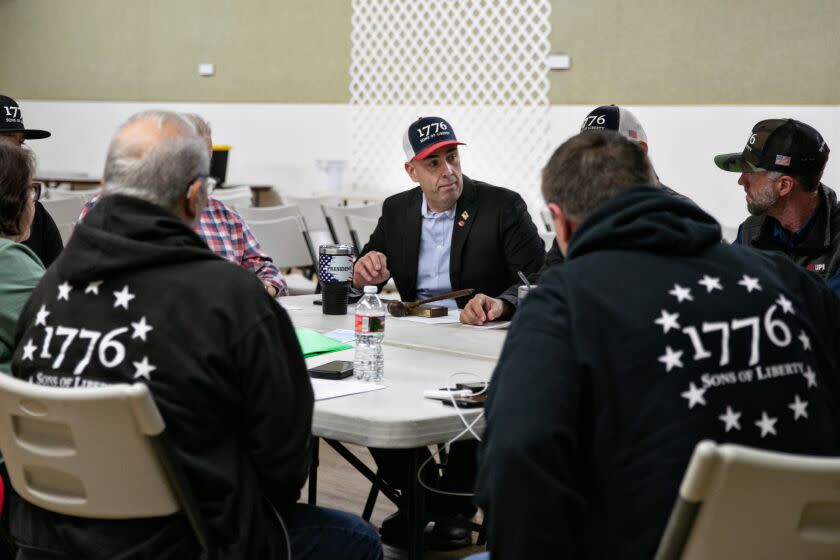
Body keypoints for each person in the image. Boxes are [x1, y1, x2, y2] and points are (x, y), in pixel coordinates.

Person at [10, 110, 382, 560]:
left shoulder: (48, 288)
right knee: (358, 538)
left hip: (49, 539)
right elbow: (284, 469)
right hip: (186, 544)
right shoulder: (232, 299)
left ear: (111, 185)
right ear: (194, 197)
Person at [473, 130, 840, 559]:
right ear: (656, 193)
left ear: (561, 223)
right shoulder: (785, 278)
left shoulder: (564, 305)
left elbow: (515, 469)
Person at [353, 116, 544, 549]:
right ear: (412, 172)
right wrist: (365, 270)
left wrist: (502, 302)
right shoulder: (396, 210)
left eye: (452, 157)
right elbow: (364, 269)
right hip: (414, 338)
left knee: (476, 396)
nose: (448, 171)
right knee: (374, 390)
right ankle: (426, 501)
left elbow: (539, 276)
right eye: (434, 163)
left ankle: (452, 506)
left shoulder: (502, 206)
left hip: (478, 343)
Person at [461, 104, 689, 325]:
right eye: (587, 158)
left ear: (641, 153)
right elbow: (548, 277)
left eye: (607, 158)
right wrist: (504, 304)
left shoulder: (680, 217)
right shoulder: (582, 213)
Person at [78, 112, 288, 297]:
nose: (200, 167)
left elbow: (269, 274)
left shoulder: (225, 216)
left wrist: (260, 290)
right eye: (191, 158)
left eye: (205, 158)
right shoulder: (108, 210)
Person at [714, 119, 837, 293]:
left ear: (784, 185)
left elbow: (824, 317)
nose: (741, 181)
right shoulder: (752, 232)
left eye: (751, 172)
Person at [0, 95, 63, 268]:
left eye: (19, 144)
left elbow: (61, 278)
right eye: (5, 145)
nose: (17, 155)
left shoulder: (35, 213)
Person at [0, 143, 43, 373]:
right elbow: (66, 328)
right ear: (11, 198)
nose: (34, 199)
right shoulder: (8, 260)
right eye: (30, 189)